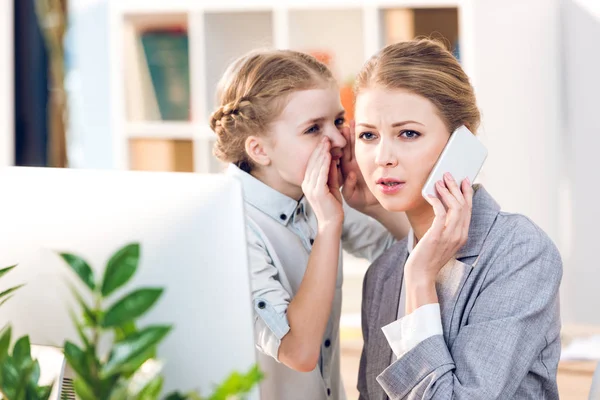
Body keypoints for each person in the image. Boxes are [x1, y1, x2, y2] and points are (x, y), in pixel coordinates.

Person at [353, 39, 562, 399]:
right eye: (368, 135)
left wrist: (420, 279)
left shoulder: (519, 253)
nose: (382, 157)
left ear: (460, 143)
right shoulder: (384, 274)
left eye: (408, 133)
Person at [209, 49, 408, 400]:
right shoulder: (227, 226)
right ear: (259, 149)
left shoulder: (316, 194)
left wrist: (373, 205)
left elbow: (408, 254)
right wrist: (330, 225)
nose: (337, 140)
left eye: (338, 120)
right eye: (313, 128)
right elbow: (297, 351)